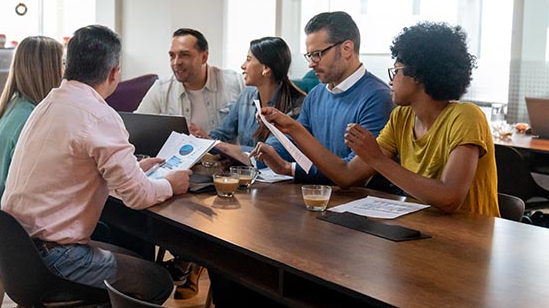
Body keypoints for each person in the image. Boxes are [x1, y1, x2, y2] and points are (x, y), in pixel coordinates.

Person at [2, 25, 191, 308]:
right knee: (156, 282)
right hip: (56, 259)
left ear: (67, 64)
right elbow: (138, 198)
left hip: (19, 251)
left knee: (132, 257)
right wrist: (172, 183)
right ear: (115, 72)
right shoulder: (99, 115)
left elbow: (78, 169)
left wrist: (134, 169)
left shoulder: (47, 104)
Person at [262, 22, 499, 217]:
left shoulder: (466, 117)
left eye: (396, 71)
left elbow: (449, 198)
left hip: (470, 236)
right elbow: (346, 175)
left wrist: (377, 159)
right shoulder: (401, 117)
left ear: (419, 75)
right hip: (425, 229)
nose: (391, 80)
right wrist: (293, 128)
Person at [255, 11, 395, 185]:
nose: (311, 63)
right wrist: (268, 150)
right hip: (318, 196)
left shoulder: (378, 98)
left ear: (347, 49)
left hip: (358, 202)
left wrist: (289, 167)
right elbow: (295, 143)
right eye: (310, 55)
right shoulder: (316, 94)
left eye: (318, 54)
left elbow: (352, 172)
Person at [0, 36, 63, 199]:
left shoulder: (14, 107)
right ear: (49, 70)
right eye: (63, 63)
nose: (65, 71)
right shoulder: (32, 119)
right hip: (12, 215)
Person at [194, 37, 306, 158]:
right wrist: (202, 138)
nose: (243, 66)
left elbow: (269, 153)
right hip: (245, 173)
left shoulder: (297, 106)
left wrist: (221, 147)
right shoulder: (246, 95)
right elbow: (223, 134)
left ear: (266, 69)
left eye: (248, 60)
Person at [136, 28, 243, 135]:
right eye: (172, 56)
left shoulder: (235, 82)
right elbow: (136, 129)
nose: (176, 62)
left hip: (225, 151)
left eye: (184, 55)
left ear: (204, 57)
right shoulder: (161, 89)